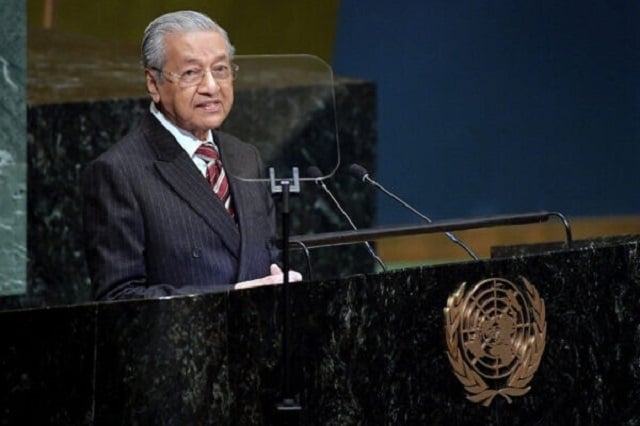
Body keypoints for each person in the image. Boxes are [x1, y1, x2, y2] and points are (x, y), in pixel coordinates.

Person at [82, 10, 300, 300]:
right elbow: (119, 298)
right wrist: (229, 296)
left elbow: (269, 254)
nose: (211, 87)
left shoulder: (244, 156)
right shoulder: (118, 171)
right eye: (191, 73)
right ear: (153, 84)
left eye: (220, 69)